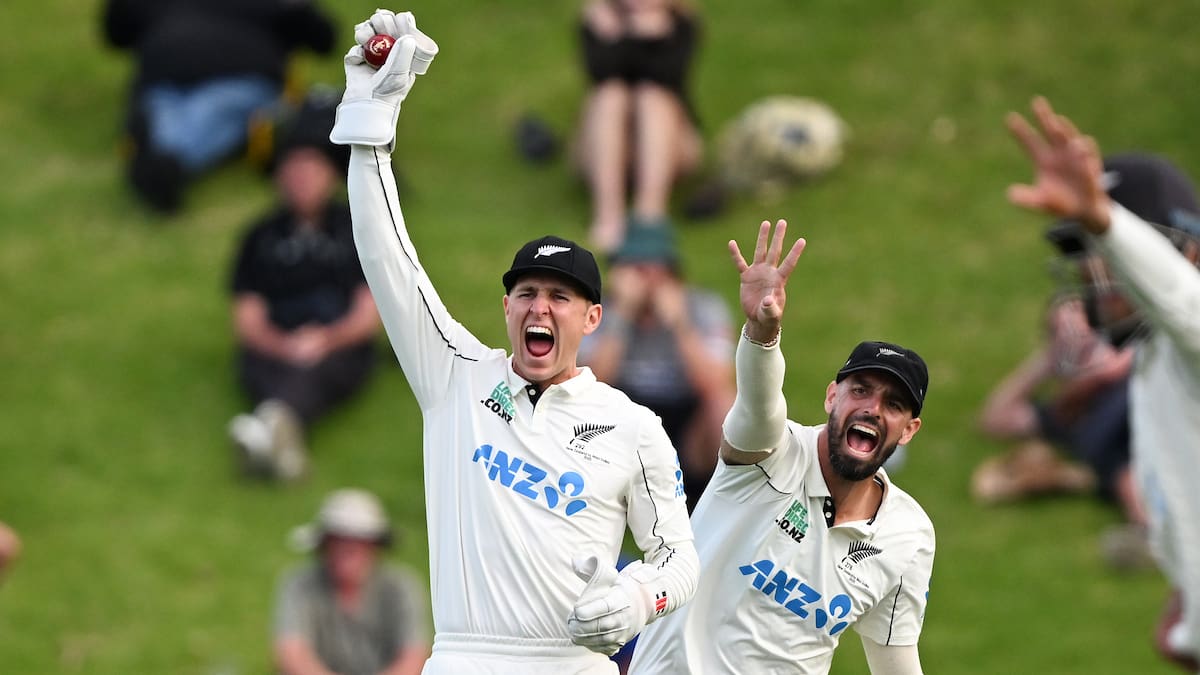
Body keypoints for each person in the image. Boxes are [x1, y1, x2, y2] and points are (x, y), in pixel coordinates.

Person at [327, 10, 699, 674]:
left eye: (560, 297)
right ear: (507, 308)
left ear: (593, 318)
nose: (540, 307)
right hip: (465, 658)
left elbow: (680, 557)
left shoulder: (632, 425)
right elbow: (387, 259)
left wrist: (639, 598)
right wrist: (369, 122)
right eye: (527, 293)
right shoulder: (455, 376)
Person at [631, 219, 935, 675]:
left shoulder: (908, 534)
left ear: (909, 430)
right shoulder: (771, 450)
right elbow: (759, 403)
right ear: (832, 397)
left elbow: (895, 662)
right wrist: (762, 332)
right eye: (860, 391)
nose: (872, 408)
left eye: (892, 404)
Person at [1005, 97, 1200, 671]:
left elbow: (1184, 301)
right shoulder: (1153, 360)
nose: (1093, 277)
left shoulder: (1187, 335)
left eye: (1105, 258)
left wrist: (1108, 223)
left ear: (1188, 249)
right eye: (1088, 257)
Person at [228, 89, 380, 481]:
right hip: (275, 344)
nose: (302, 181)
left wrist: (326, 339)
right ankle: (281, 442)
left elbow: (368, 313)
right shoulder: (259, 237)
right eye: (293, 171)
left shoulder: (356, 231)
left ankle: (269, 426)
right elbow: (247, 319)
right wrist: (283, 344)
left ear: (331, 175)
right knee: (267, 365)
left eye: (311, 170)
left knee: (320, 367)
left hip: (338, 343)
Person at [102, 0, 337, 213]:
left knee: (211, 110)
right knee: (172, 111)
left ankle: (162, 159)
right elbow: (117, 33)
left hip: (239, 81)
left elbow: (323, 41)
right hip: (165, 82)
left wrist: (299, 8)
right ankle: (163, 159)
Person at [972, 289, 1148, 568]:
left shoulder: (1136, 362)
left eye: (1084, 321)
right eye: (1063, 332)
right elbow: (996, 419)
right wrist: (1047, 360)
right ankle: (1150, 532)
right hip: (1130, 452)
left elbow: (1131, 358)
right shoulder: (1062, 416)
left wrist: (1102, 371)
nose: (1077, 333)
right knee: (1108, 454)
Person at [580, 221, 734, 512]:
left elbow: (716, 384)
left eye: (650, 269)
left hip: (686, 425)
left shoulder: (703, 307)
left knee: (724, 404)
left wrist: (679, 323)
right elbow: (588, 383)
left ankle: (719, 502)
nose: (643, 280)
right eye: (632, 269)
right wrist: (622, 314)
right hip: (623, 422)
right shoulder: (599, 311)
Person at [574, 0, 704, 252]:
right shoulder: (597, 19)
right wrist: (626, 36)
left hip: (673, 147)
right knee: (610, 96)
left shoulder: (681, 22)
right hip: (604, 149)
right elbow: (602, 73)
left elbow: (666, 75)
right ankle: (608, 214)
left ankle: (649, 215)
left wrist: (651, 38)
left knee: (652, 97)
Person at [274, 488, 430, 675]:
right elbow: (292, 654)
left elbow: (413, 657)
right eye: (338, 539)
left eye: (358, 540)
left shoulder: (401, 587)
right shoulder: (300, 585)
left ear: (375, 545)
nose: (347, 549)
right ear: (324, 544)